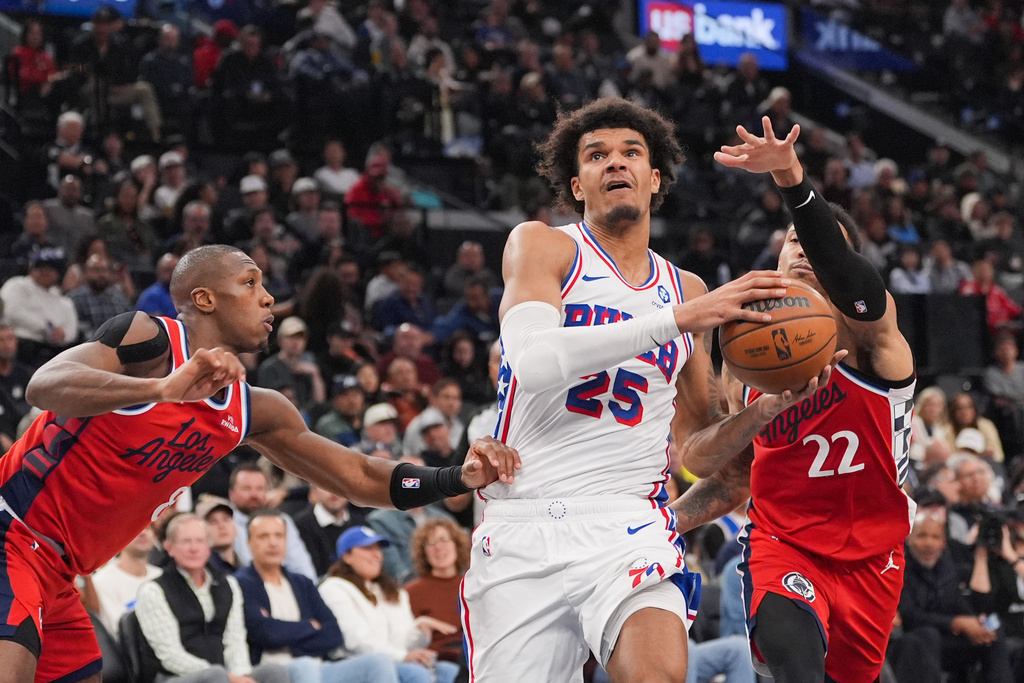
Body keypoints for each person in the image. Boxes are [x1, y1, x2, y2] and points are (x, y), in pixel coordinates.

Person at [0, 243, 518, 682]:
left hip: (60, 572)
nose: (268, 296)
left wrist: (456, 477)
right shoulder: (150, 340)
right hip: (12, 533)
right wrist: (161, 388)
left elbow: (359, 476)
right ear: (204, 299)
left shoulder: (256, 409)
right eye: (250, 283)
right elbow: (44, 386)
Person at [460, 98, 795, 682]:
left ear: (654, 177)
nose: (615, 163)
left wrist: (761, 411)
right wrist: (677, 321)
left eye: (631, 153)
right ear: (577, 182)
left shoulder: (684, 287)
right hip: (524, 518)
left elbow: (696, 450)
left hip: (628, 523)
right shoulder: (544, 245)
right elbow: (535, 361)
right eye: (597, 155)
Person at [670, 116, 916, 683]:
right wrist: (660, 523)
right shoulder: (745, 360)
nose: (802, 248)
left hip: (873, 556)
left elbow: (847, 273)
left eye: (819, 245)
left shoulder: (878, 341)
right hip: (784, 543)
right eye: (792, 241)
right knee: (794, 666)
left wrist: (789, 174)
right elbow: (719, 472)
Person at [235, 510, 399, 683]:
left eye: (279, 536)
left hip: (318, 665)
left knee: (379, 662)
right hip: (272, 669)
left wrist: (290, 642)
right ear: (249, 544)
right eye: (263, 536)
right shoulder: (241, 583)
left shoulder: (302, 583)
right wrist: (309, 626)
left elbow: (333, 634)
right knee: (304, 666)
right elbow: (265, 633)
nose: (273, 543)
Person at [135, 514, 289, 683]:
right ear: (169, 547)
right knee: (215, 675)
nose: (194, 548)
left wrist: (242, 676)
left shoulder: (228, 584)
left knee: (274, 672)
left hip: (222, 675)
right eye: (186, 541)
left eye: (200, 541)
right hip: (173, 677)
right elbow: (170, 656)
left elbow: (235, 640)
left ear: (209, 546)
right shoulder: (154, 590)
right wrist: (228, 677)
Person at [319, 526, 460, 683]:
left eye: (378, 549)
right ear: (347, 556)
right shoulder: (334, 588)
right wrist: (402, 656)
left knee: (449, 671)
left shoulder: (393, 592)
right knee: (414, 673)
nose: (376, 555)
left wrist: (419, 629)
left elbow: (403, 642)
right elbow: (355, 640)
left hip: (394, 660)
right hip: (356, 662)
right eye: (367, 548)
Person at [404, 519, 470, 666]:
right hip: (437, 661)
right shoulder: (409, 592)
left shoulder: (473, 584)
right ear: (423, 552)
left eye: (444, 539)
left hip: (473, 654)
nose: (439, 547)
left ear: (457, 545)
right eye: (431, 543)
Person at [90, 525, 163, 638]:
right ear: (118, 537)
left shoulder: (161, 575)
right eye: (136, 527)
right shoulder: (102, 581)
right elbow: (119, 630)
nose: (142, 532)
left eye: (148, 528)